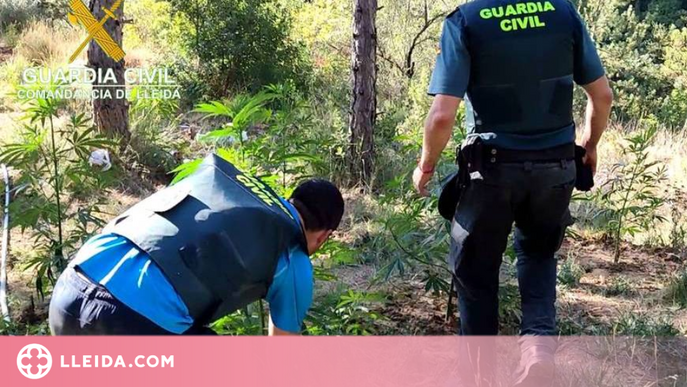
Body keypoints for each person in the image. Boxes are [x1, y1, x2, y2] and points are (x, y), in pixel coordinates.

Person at [413, 0, 613, 384]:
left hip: (490, 170)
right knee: (538, 256)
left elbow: (442, 115)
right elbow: (601, 95)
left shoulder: (465, 21)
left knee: (475, 272)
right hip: (555, 166)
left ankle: (479, 374)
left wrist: (426, 165)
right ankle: (537, 349)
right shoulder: (562, 13)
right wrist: (589, 146)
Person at [49, 154, 345, 336]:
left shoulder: (235, 193)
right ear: (325, 235)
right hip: (133, 323)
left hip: (68, 291)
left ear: (290, 199)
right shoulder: (292, 252)